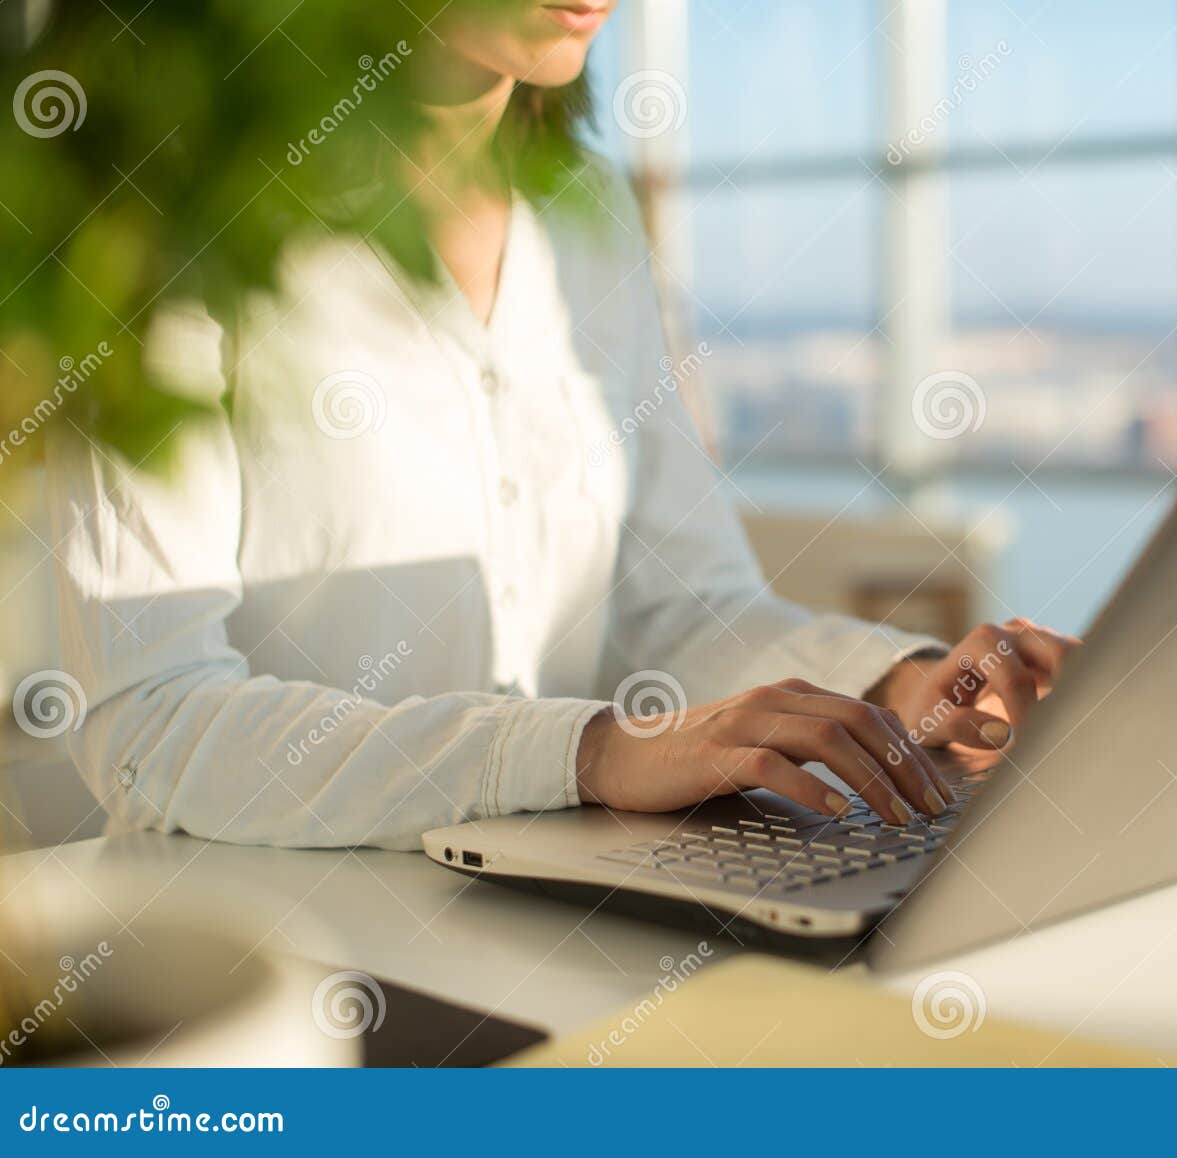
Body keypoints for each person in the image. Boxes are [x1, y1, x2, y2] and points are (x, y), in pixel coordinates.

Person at [46, 1, 1077, 850]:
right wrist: (585, 753)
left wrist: (894, 691)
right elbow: (153, 719)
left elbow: (676, 610)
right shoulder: (171, 215)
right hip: (270, 970)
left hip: (548, 921)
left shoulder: (584, 204)